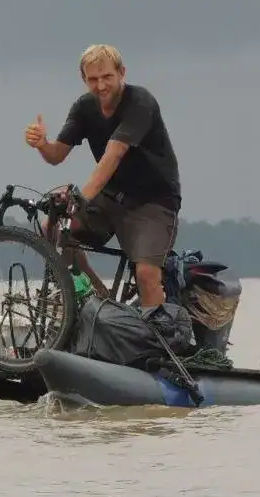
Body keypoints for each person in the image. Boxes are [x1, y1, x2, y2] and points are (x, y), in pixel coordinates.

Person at [23, 43, 182, 310]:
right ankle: (101, 296)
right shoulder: (84, 107)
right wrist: (41, 143)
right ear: (84, 79)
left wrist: (80, 198)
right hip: (110, 196)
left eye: (107, 77)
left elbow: (113, 155)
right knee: (55, 227)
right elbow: (56, 155)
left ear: (122, 72)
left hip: (153, 201)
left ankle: (158, 339)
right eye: (93, 79)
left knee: (146, 274)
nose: (100, 86)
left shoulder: (140, 102)